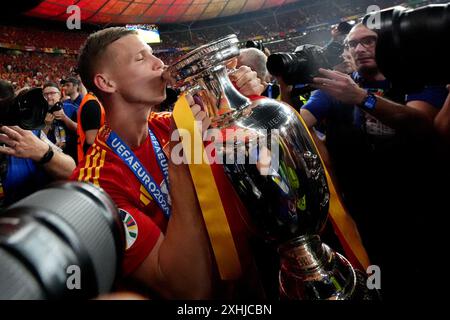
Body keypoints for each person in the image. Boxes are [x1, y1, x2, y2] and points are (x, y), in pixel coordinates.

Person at [71, 27, 264, 299]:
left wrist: (240, 96)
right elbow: (185, 289)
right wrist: (181, 168)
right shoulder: (94, 186)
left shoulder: (170, 125)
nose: (159, 63)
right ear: (107, 83)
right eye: (140, 58)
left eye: (153, 54)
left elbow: (256, 154)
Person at [300, 23, 448, 297]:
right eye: (352, 43)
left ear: (390, 43)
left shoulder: (416, 79)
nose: (359, 48)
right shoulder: (339, 85)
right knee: (381, 282)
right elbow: (300, 121)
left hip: (422, 208)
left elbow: (421, 124)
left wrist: (360, 97)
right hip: (369, 216)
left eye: (369, 41)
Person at [42, 82, 78, 161]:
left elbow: (80, 130)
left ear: (59, 95)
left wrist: (65, 118)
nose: (49, 96)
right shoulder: (40, 113)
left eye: (52, 93)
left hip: (72, 152)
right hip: (51, 155)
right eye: (45, 94)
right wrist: (46, 125)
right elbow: (38, 139)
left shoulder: (71, 108)